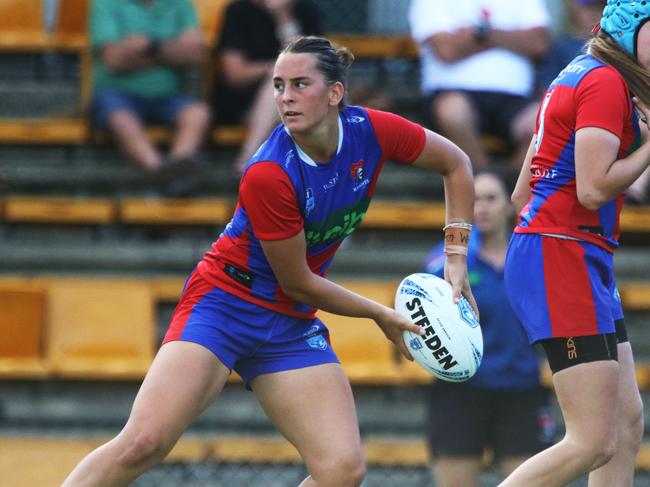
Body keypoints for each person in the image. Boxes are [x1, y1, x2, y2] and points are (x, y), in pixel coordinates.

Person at [61, 36, 477, 487]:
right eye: (278, 86)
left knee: (341, 471)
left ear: (335, 93)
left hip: (289, 321)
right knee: (144, 442)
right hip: (224, 304)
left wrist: (456, 257)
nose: (285, 97)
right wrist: (380, 313)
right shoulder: (269, 173)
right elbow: (297, 280)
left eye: (300, 84)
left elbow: (456, 164)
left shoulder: (371, 132)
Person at [500, 1, 649, 485]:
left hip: (570, 252)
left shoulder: (580, 71)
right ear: (629, 33)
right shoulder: (605, 81)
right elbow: (591, 188)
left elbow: (524, 191)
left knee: (625, 426)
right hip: (561, 253)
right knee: (592, 441)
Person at [424, 169, 554, 487]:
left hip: (521, 391)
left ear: (510, 206)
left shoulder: (532, 258)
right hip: (459, 393)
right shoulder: (444, 264)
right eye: (474, 200)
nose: (481, 207)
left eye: (491, 199)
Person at [408, 0, 550, 171]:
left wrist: (480, 34)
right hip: (451, 93)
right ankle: (482, 179)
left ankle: (506, 187)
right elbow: (446, 50)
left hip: (516, 99)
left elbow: (538, 43)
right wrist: (507, 38)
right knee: (453, 112)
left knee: (546, 120)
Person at [89, 0, 211, 185]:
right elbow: (114, 59)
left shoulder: (180, 4)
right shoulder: (105, 3)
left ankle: (176, 167)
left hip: (170, 97)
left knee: (198, 113)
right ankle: (160, 170)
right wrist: (171, 52)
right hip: (118, 94)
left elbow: (195, 53)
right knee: (119, 117)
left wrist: (149, 47)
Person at [212, 0, 323, 173]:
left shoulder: (306, 10)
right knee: (280, 80)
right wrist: (271, 68)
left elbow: (309, 67)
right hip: (243, 102)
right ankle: (247, 162)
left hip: (298, 100)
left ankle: (251, 165)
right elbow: (234, 75)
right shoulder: (239, 11)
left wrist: (283, 18)